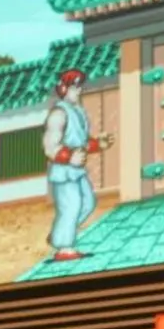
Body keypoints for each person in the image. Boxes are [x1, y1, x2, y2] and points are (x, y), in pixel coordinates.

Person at [42, 69, 114, 261]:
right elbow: (50, 146)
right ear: (64, 89)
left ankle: (58, 234)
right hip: (63, 171)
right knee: (71, 206)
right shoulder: (58, 114)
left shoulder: (78, 112)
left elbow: (81, 141)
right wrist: (69, 157)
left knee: (88, 203)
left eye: (79, 86)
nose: (79, 90)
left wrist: (98, 144)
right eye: (74, 87)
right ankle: (64, 248)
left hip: (77, 170)